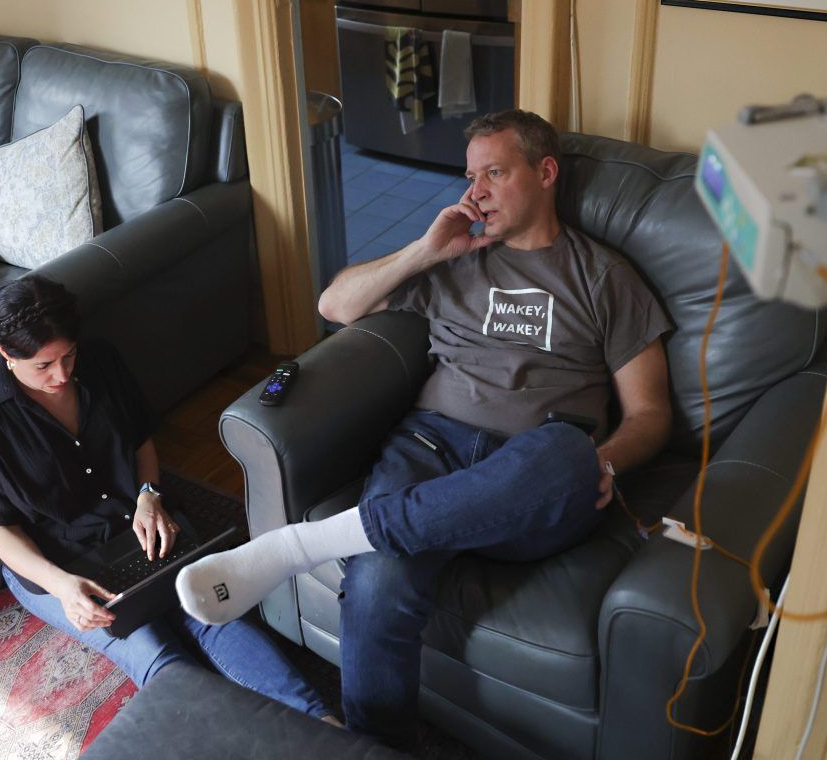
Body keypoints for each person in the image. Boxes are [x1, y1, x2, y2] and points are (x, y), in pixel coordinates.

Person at [177, 109, 674, 746]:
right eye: (471, 176)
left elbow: (651, 413)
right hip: (430, 449)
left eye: (495, 172)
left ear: (546, 173)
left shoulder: (604, 278)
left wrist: (607, 461)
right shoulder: (455, 260)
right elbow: (335, 306)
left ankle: (305, 545)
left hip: (534, 473)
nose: (477, 191)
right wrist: (425, 249)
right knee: (378, 582)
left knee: (568, 452)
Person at [0, 275, 331, 720]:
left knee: (211, 611)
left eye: (68, 355)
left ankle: (323, 724)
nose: (62, 374)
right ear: (4, 353)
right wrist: (61, 586)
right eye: (43, 366)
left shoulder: (101, 360)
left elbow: (140, 439)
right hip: (56, 559)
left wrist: (149, 494)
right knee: (157, 654)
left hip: (134, 525)